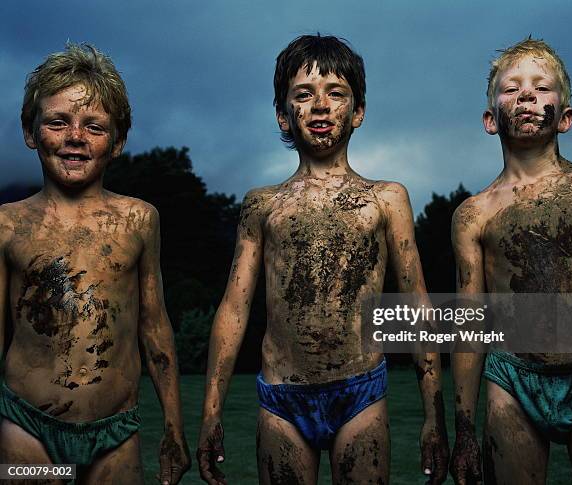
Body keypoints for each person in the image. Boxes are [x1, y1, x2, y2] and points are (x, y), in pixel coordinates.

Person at [197, 34, 449, 485]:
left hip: (361, 392)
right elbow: (234, 308)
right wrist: (211, 410)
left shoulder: (386, 199)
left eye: (335, 94)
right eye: (303, 95)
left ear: (358, 112)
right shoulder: (262, 205)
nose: (319, 106)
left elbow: (416, 304)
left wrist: (434, 414)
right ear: (282, 113)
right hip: (282, 398)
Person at [0, 44, 190, 484]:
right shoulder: (9, 224)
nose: (75, 137)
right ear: (31, 132)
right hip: (27, 424)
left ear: (118, 141)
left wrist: (174, 427)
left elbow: (155, 326)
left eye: (94, 126)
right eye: (57, 122)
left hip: (115, 431)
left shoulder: (139, 219)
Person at [450, 38, 572, 484]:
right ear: (489, 119)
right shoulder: (473, 214)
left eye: (541, 87)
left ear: (566, 118)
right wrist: (464, 430)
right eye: (512, 88)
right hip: (512, 381)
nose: (526, 95)